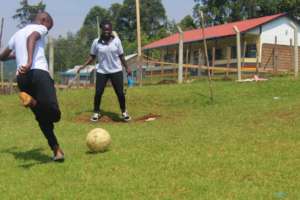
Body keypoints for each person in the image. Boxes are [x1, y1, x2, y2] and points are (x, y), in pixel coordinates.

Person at [0, 12, 64, 161]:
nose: (48, 29)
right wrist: (29, 62)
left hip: (22, 78)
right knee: (55, 114)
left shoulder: (16, 34)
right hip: (38, 72)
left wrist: (17, 56)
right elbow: (32, 38)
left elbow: (2, 57)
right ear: (43, 20)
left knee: (42, 117)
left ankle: (57, 151)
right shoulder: (39, 28)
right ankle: (33, 102)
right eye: (49, 26)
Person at [78, 20, 132, 122]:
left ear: (111, 30)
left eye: (109, 29)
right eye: (105, 29)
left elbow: (121, 56)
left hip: (116, 70)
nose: (107, 31)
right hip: (102, 71)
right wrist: (83, 66)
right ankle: (96, 112)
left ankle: (124, 112)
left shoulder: (117, 41)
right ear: (101, 30)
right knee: (98, 92)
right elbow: (92, 57)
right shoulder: (96, 42)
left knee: (120, 93)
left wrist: (127, 67)